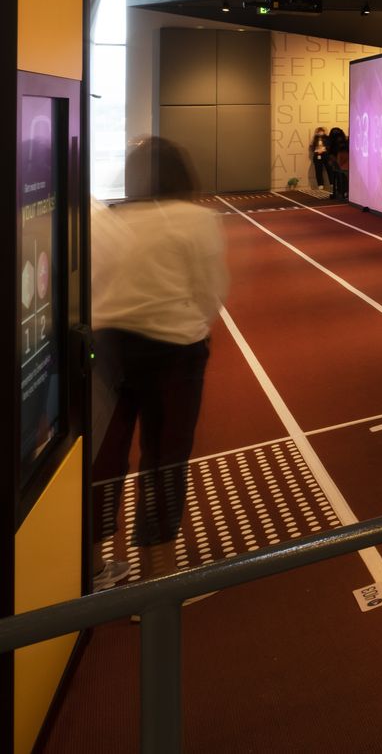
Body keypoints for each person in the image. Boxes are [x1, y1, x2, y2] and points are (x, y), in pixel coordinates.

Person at [88, 137, 227, 589]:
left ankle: (92, 567)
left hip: (109, 350)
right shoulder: (196, 219)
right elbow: (209, 292)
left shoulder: (109, 220)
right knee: (165, 459)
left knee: (106, 457)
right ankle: (158, 575)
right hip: (174, 354)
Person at [325, 123, 349, 201]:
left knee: (338, 176)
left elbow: (329, 151)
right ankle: (343, 192)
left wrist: (332, 160)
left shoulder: (331, 140)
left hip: (337, 159)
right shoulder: (343, 140)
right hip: (342, 160)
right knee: (342, 177)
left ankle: (340, 192)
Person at [309, 126, 329, 191]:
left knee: (329, 169)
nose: (320, 132)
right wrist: (316, 149)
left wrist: (324, 149)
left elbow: (329, 146)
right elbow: (312, 147)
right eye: (319, 131)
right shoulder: (314, 139)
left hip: (325, 155)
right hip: (317, 155)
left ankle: (332, 184)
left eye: (321, 131)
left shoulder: (327, 139)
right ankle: (320, 185)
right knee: (318, 171)